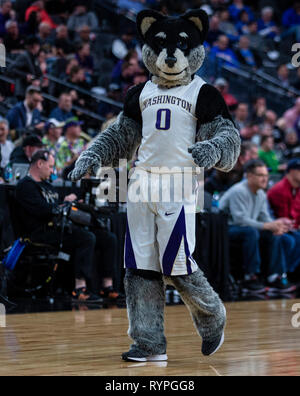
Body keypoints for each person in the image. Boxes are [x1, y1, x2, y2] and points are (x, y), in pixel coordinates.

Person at [15, 150, 101, 303]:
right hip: (39, 232)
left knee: (101, 236)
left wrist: (67, 202)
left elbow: (55, 204)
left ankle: (104, 287)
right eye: (50, 167)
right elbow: (42, 210)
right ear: (39, 164)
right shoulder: (25, 185)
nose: (52, 171)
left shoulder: (47, 185)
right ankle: (79, 289)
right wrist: (64, 205)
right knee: (86, 238)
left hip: (55, 228)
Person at [219, 160, 297, 293]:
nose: (265, 179)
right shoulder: (239, 191)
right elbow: (240, 220)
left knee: (275, 234)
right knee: (251, 232)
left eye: (266, 175)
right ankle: (250, 277)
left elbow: (265, 217)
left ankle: (275, 276)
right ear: (249, 176)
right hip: (226, 229)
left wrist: (277, 225)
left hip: (248, 228)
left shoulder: (261, 193)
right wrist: (268, 225)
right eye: (261, 175)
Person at [268, 159, 300, 276]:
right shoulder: (280, 189)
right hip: (277, 227)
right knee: (290, 240)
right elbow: (284, 218)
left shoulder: (297, 188)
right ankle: (282, 274)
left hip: (291, 227)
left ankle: (290, 272)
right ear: (291, 171)